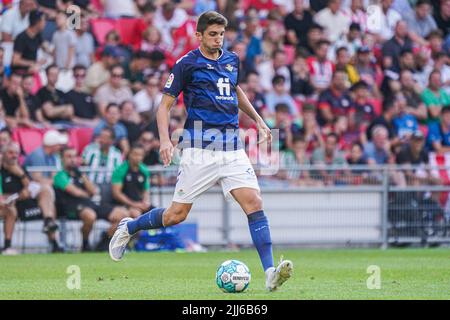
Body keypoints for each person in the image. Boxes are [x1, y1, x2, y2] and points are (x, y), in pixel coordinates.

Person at [109, 11, 293, 292]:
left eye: (221, 34)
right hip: (199, 149)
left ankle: (269, 272)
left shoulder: (232, 60)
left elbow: (235, 90)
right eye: (212, 34)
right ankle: (130, 227)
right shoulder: (187, 64)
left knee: (254, 202)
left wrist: (257, 119)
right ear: (198, 35)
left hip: (231, 147)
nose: (218, 40)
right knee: (175, 215)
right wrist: (165, 141)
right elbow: (164, 106)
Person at [53, 146, 128, 252]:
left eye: (74, 156)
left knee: (123, 216)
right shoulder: (60, 176)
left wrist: (82, 176)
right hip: (71, 206)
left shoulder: (80, 174)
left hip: (89, 204)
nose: (73, 159)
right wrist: (87, 194)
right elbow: (76, 192)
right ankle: (85, 243)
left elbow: (93, 191)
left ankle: (105, 239)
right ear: (62, 159)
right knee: (90, 215)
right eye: (69, 157)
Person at [1, 142, 63, 252]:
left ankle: (51, 229)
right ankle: (7, 246)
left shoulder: (20, 168)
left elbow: (29, 187)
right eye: (10, 153)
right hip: (10, 205)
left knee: (46, 191)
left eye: (16, 153)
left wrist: (21, 174)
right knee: (11, 209)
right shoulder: (2, 170)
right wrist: (18, 196)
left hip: (24, 203)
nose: (14, 156)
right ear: (3, 154)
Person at [111, 143, 151, 219]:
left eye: (141, 155)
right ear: (129, 154)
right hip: (123, 204)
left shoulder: (144, 170)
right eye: (135, 154)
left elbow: (146, 190)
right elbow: (116, 194)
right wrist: (134, 204)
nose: (138, 157)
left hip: (139, 203)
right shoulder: (120, 170)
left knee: (159, 214)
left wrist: (145, 202)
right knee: (136, 215)